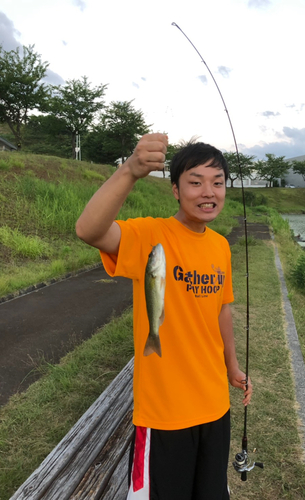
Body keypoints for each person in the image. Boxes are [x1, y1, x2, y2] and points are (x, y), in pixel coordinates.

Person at [76, 133, 252, 500]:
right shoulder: (152, 236)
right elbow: (89, 230)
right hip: (165, 413)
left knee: (211, 492)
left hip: (215, 405)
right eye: (195, 182)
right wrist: (130, 171)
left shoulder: (220, 246)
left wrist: (231, 367)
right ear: (175, 190)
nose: (209, 192)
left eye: (217, 183)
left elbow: (222, 309)